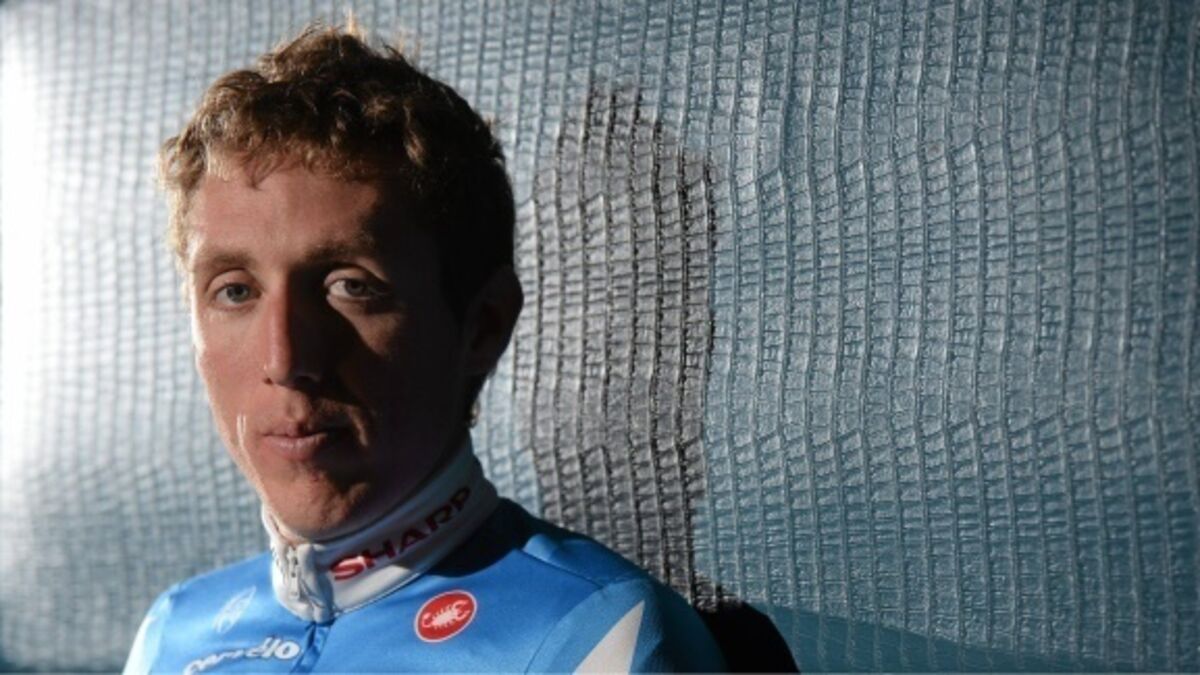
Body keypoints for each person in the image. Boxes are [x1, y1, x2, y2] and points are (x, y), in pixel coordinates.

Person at [123, 21, 726, 674]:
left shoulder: (596, 636)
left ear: (483, 326)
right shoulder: (172, 637)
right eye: (236, 291)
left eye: (350, 286)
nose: (285, 360)